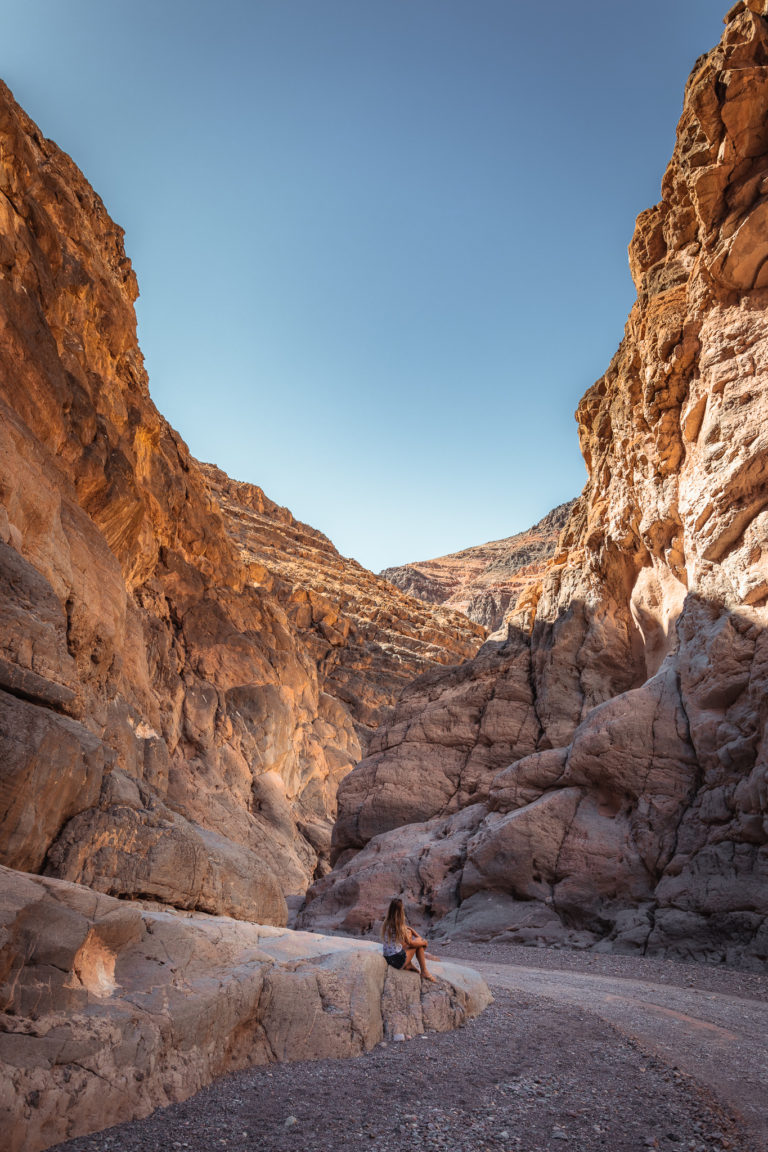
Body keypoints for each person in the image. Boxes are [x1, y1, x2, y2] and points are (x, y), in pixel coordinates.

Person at [381, 897, 436, 982]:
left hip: (388, 958)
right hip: (397, 961)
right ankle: (424, 971)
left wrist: (417, 936)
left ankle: (409, 965)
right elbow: (411, 944)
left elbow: (407, 929)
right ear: (400, 911)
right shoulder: (399, 926)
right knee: (418, 946)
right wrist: (423, 942)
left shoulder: (387, 922)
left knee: (410, 937)